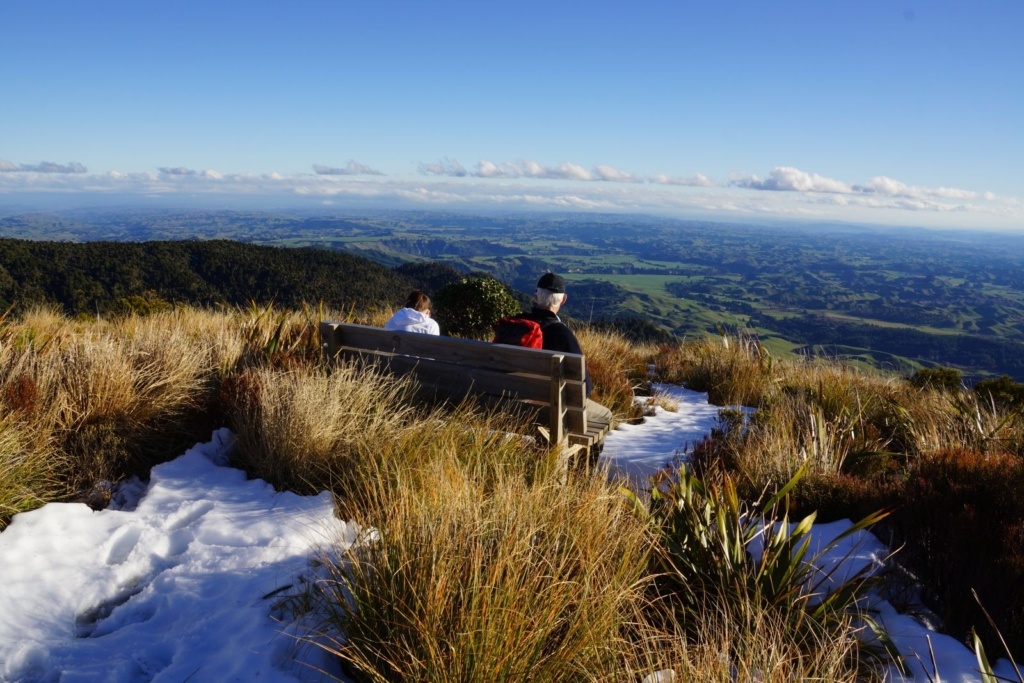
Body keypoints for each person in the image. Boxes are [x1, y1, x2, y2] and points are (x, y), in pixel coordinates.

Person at [523, 272, 613, 427]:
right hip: (549, 411)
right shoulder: (563, 334)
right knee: (606, 415)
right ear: (563, 299)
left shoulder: (514, 325)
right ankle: (585, 452)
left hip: (506, 405)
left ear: (536, 296)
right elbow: (584, 390)